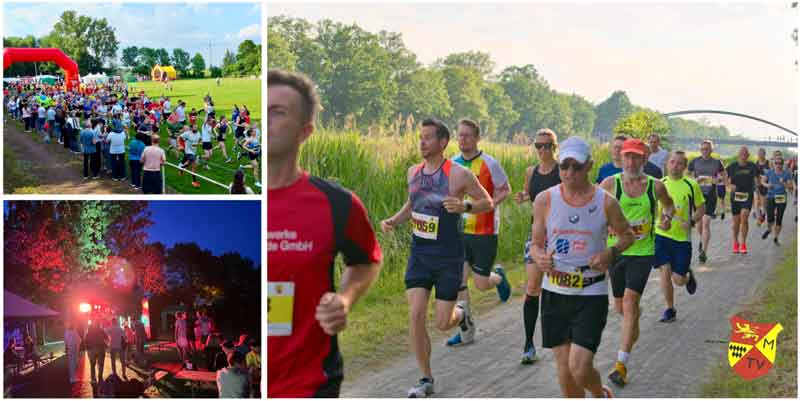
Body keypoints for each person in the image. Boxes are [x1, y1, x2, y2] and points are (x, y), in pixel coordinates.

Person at [268, 69, 383, 397]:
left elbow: (366, 260)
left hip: (309, 384)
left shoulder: (337, 203)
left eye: (279, 112)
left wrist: (344, 299)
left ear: (305, 131)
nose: (267, 119)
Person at [381, 118, 493, 398]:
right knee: (416, 314)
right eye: (420, 137)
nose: (422, 142)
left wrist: (465, 205)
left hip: (448, 257)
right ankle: (425, 378)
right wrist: (394, 220)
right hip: (420, 254)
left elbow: (487, 202)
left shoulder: (458, 175)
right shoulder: (412, 172)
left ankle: (461, 314)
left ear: (443, 142)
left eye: (428, 137)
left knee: (443, 322)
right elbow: (413, 202)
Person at [532, 136, 633, 398]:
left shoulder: (606, 202)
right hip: (555, 293)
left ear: (589, 166)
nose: (569, 173)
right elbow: (535, 244)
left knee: (579, 367)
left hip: (590, 293)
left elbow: (627, 235)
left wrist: (610, 253)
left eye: (576, 167)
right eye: (564, 166)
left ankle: (599, 393)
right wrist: (539, 257)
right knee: (566, 375)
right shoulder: (545, 200)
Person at [599, 138, 674, 387]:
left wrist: (665, 219)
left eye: (636, 157)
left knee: (630, 302)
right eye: (627, 156)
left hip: (643, 251)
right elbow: (593, 211)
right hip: (617, 251)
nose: (630, 161)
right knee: (623, 308)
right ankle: (633, 321)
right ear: (621, 158)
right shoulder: (610, 184)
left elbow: (669, 207)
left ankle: (621, 366)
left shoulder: (656, 186)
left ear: (645, 159)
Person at [445, 119, 512, 347]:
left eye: (467, 135)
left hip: (485, 231)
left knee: (482, 284)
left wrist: (490, 204)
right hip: (459, 232)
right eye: (459, 135)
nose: (462, 139)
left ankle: (500, 277)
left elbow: (505, 189)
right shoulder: (452, 164)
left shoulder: (490, 163)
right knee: (460, 282)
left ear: (476, 138)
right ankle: (466, 330)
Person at [513, 128, 561, 364]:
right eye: (538, 146)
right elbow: (530, 194)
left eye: (547, 145)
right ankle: (528, 344)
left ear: (555, 147)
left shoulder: (563, 171)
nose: (542, 150)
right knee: (533, 289)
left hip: (561, 237)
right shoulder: (531, 172)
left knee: (559, 289)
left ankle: (562, 339)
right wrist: (523, 195)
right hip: (537, 237)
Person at [655, 151, 705, 323]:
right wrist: (660, 223)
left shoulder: (691, 185)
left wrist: (691, 221)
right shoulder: (660, 184)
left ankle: (687, 276)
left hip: (682, 239)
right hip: (662, 235)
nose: (674, 166)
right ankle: (670, 309)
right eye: (672, 162)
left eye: (679, 163)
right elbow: (654, 210)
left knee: (678, 280)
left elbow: (701, 209)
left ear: (684, 167)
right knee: (664, 270)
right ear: (667, 164)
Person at [688, 140, 726, 263]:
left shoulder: (717, 163)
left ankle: (703, 252)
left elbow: (724, 176)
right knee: (699, 224)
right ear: (700, 150)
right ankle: (702, 239)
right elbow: (686, 175)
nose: (704, 151)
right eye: (703, 149)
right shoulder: (695, 161)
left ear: (711, 150)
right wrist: (695, 180)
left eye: (707, 149)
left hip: (710, 195)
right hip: (697, 195)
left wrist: (718, 180)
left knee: (705, 223)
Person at [726, 147, 759, 254]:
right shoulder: (732, 166)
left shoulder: (752, 166)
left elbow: (757, 178)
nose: (743, 156)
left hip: (747, 195)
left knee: (744, 216)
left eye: (745, 154)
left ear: (748, 155)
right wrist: (729, 185)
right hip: (735, 196)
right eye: (741, 154)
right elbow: (722, 176)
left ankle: (743, 243)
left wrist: (757, 186)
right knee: (736, 221)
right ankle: (735, 242)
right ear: (738, 155)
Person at [761, 151, 794, 245]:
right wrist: (768, 185)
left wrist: (783, 182)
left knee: (779, 219)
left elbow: (791, 187)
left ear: (782, 164)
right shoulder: (769, 172)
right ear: (773, 163)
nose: (778, 165)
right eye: (776, 163)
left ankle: (775, 238)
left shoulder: (787, 173)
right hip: (771, 196)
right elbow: (763, 182)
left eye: (780, 163)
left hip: (781, 197)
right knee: (770, 218)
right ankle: (769, 229)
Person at [754, 148, 772, 226]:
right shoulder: (756, 163)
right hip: (757, 184)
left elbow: (772, 174)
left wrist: (764, 177)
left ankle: (763, 214)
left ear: (764, 154)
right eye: (759, 154)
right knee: (756, 201)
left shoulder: (768, 163)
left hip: (765, 185)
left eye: (762, 154)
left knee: (763, 202)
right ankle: (758, 219)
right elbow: (754, 174)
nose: (760, 155)